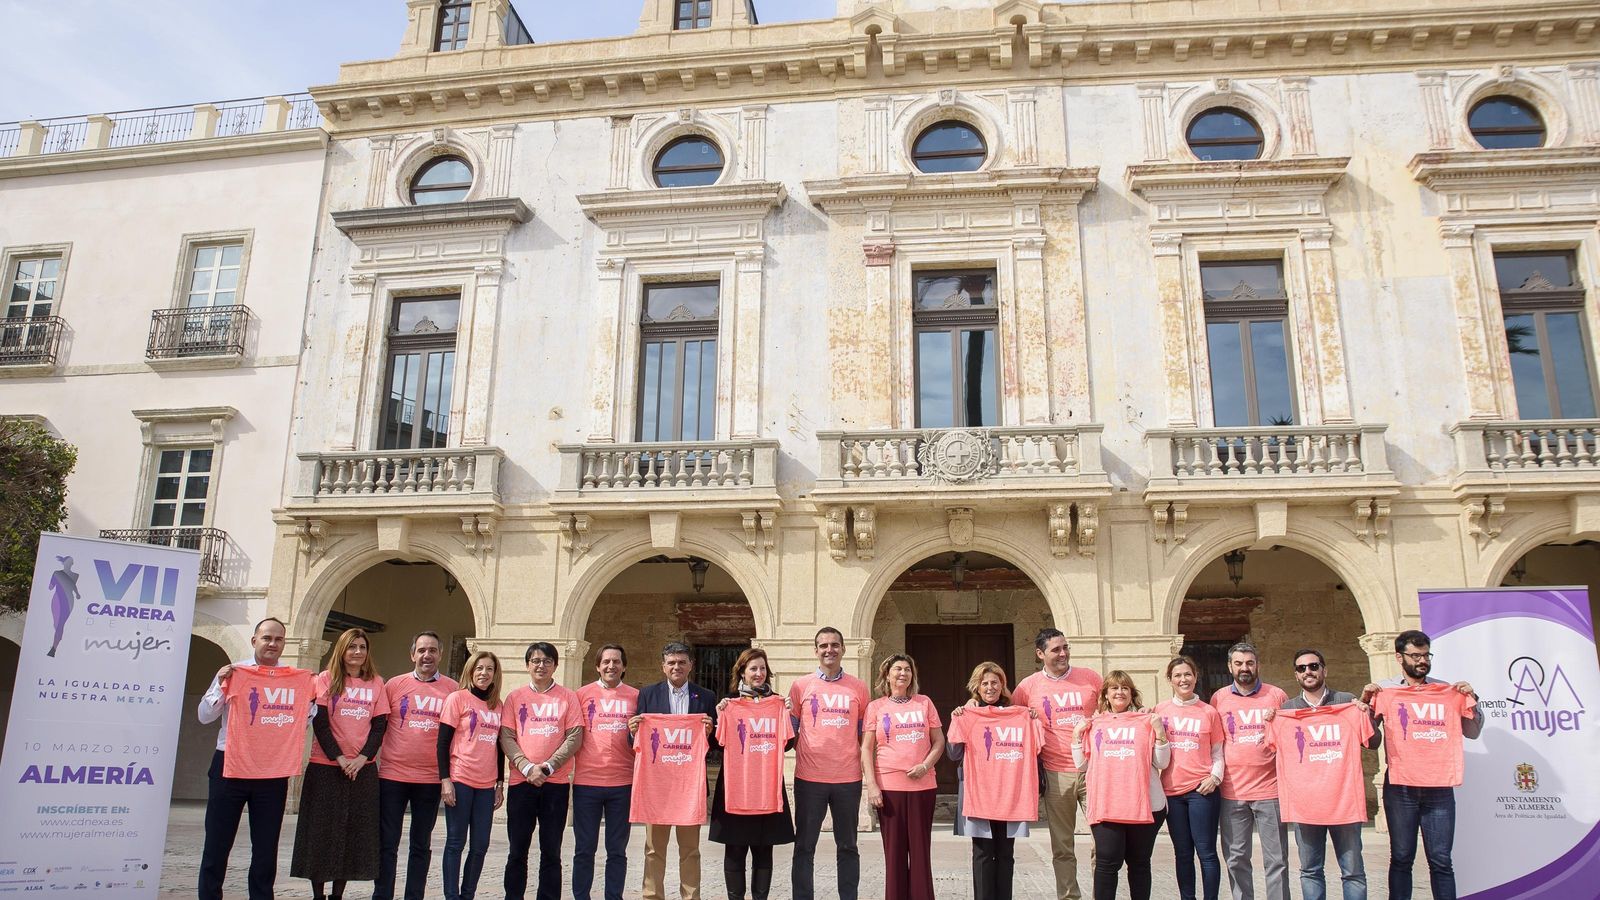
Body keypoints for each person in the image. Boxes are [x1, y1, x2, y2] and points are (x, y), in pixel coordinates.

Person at [1360, 629, 1480, 900]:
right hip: (1400, 786)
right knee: (1401, 857)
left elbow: (1472, 732)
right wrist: (1366, 706)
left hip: (1439, 785)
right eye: (1415, 655)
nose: (1422, 661)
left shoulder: (1447, 691)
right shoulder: (1385, 690)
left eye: (1426, 655)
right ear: (1399, 658)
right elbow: (1370, 741)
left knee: (1440, 860)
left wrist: (1473, 700)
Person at [198, 617, 310, 900]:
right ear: (254, 640)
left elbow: (306, 719)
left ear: (284, 643)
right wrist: (221, 685)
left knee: (265, 849)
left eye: (278, 639)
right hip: (229, 767)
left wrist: (305, 706)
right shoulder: (235, 673)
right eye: (267, 638)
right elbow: (204, 716)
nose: (272, 644)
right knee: (216, 845)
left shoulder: (294, 679)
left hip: (271, 771)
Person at [292, 627, 389, 900]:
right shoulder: (325, 679)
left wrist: (361, 759)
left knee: (350, 833)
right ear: (342, 651)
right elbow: (321, 724)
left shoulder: (376, 683)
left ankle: (338, 894)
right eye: (351, 647)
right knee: (320, 834)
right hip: (325, 768)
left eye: (362, 647)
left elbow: (379, 726)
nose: (357, 652)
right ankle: (318, 894)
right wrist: (340, 758)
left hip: (362, 770)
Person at [1277, 648, 1381, 900]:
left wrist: (1365, 714)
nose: (1308, 672)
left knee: (1353, 871)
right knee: (1310, 870)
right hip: (1307, 805)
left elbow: (1373, 742)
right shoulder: (1287, 710)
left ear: (1325, 670)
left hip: (1345, 802)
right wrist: (1272, 718)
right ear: (1296, 675)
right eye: (1302, 668)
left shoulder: (1346, 701)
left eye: (1313, 666)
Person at [1010, 627, 1102, 900]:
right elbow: (1011, 716)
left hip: (1093, 769)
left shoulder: (1091, 678)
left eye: (1065, 647)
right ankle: (1069, 896)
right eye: (1056, 649)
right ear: (1040, 654)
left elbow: (1115, 706)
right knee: (1063, 845)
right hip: (1055, 772)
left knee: (1104, 844)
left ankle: (1102, 893)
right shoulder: (1028, 687)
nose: (1063, 654)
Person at [629, 641, 719, 900]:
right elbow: (635, 743)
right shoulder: (647, 694)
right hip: (657, 787)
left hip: (690, 789)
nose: (676, 666)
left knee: (690, 850)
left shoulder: (706, 697)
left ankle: (691, 897)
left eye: (682, 662)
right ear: (663, 666)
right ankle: (652, 896)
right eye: (671, 662)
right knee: (653, 850)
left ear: (691, 665)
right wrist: (633, 731)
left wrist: (711, 732)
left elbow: (712, 745)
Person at [375, 631, 459, 900]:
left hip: (430, 779)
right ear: (412, 654)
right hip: (392, 776)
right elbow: (379, 726)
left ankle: (414, 896)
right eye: (422, 650)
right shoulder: (394, 686)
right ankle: (382, 895)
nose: (427, 655)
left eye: (433, 650)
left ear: (440, 655)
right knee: (387, 843)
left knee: (421, 845)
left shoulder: (452, 690)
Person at [1073, 671, 1171, 900]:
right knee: (1107, 864)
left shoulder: (1146, 721)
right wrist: (1076, 736)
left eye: (1125, 688)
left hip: (1146, 806)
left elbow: (1162, 762)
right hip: (1108, 806)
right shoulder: (1095, 723)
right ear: (1106, 694)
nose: (1120, 692)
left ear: (1131, 693)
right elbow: (1082, 765)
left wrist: (1159, 732)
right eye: (1115, 688)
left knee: (1139, 864)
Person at [788, 626, 869, 900]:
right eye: (823, 646)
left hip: (848, 779)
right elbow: (792, 730)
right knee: (804, 846)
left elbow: (864, 736)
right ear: (816, 651)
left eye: (835, 645)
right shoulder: (801, 686)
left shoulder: (859, 687)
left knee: (847, 846)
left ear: (843, 649)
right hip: (809, 780)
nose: (829, 650)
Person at [500, 641, 585, 900]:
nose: (541, 665)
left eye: (547, 661)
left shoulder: (568, 697)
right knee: (517, 851)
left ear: (555, 666)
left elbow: (575, 737)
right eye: (535, 661)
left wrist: (547, 768)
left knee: (551, 851)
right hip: (521, 783)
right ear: (527, 665)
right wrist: (526, 767)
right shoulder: (515, 697)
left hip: (555, 785)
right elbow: (506, 736)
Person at [711, 648, 796, 900]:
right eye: (753, 669)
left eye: (762, 668)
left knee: (763, 850)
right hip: (736, 787)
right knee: (734, 849)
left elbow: (788, 743)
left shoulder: (779, 703)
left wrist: (788, 715)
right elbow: (718, 744)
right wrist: (719, 716)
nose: (758, 674)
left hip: (766, 787)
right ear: (742, 673)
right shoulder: (728, 703)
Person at [946, 661, 1036, 900]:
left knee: (1006, 853)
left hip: (1010, 794)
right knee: (983, 853)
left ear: (1002, 685)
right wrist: (960, 718)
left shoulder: (1019, 714)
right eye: (984, 683)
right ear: (977, 686)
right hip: (980, 793)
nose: (989, 687)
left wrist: (1032, 718)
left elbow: (1035, 748)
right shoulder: (968, 714)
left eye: (994, 682)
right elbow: (953, 754)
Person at [1210, 642, 1290, 900]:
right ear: (1229, 667)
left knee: (1276, 860)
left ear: (1257, 665)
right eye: (1239, 663)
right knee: (1235, 858)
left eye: (1249, 663)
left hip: (1270, 790)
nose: (1244, 668)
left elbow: (1289, 737)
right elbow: (1215, 742)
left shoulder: (1276, 695)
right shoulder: (1219, 698)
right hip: (1232, 792)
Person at [862, 653, 944, 900]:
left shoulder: (924, 703)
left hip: (923, 786)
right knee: (894, 853)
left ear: (912, 676)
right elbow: (866, 748)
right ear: (887, 675)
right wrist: (872, 786)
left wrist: (925, 766)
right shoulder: (876, 707)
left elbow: (939, 741)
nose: (903, 673)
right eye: (897, 669)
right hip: (889, 787)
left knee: (920, 852)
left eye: (907, 669)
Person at [1153, 656, 1225, 900]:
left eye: (1188, 674)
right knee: (1182, 853)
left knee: (1206, 852)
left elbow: (1218, 751)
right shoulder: (1159, 711)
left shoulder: (1209, 712)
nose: (1183, 679)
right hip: (1172, 793)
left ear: (1196, 677)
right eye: (1178, 676)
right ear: (1170, 680)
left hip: (1201, 791)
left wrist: (1214, 777)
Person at [572, 644, 639, 900]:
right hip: (586, 783)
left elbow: (642, 736)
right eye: (606, 662)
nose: (611, 666)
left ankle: (614, 896)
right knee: (584, 849)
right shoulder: (581, 695)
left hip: (623, 783)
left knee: (617, 850)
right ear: (597, 666)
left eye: (616, 662)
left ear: (624, 666)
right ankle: (581, 896)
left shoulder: (635, 696)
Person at [438, 651, 506, 900]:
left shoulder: (498, 706)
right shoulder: (457, 699)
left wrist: (499, 784)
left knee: (480, 846)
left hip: (486, 785)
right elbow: (442, 742)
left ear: (495, 674)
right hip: (460, 779)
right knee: (456, 843)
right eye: (479, 668)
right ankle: (451, 896)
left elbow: (499, 747)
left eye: (489, 669)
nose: (484, 673)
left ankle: (468, 894)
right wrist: (445, 780)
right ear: (470, 671)